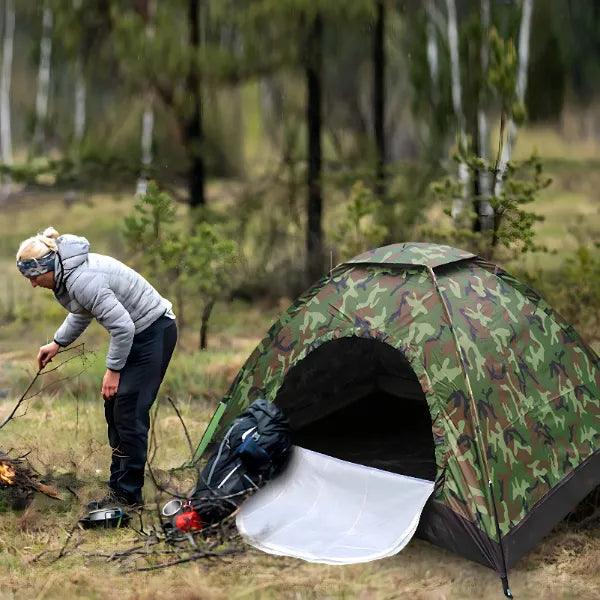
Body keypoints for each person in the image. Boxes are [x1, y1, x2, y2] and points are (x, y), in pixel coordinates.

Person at [15, 227, 177, 508]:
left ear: (48, 267)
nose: (33, 284)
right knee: (115, 408)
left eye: (34, 277)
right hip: (139, 335)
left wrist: (113, 371)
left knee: (128, 411)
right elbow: (82, 311)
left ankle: (128, 497)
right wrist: (57, 342)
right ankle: (119, 487)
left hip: (153, 332)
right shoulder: (70, 272)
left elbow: (123, 327)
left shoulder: (82, 279)